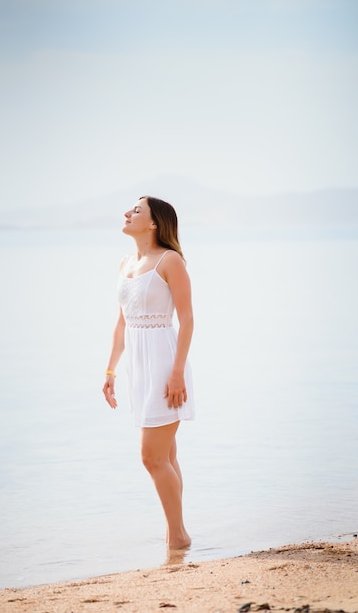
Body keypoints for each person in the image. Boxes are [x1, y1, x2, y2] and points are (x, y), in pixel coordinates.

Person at [102, 195, 195, 550]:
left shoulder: (170, 261)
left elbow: (187, 320)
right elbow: (121, 322)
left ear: (154, 223)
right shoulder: (126, 262)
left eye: (136, 210)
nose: (127, 213)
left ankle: (177, 536)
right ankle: (177, 532)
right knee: (167, 455)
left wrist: (177, 373)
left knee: (152, 457)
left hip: (163, 361)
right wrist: (111, 369)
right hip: (136, 366)